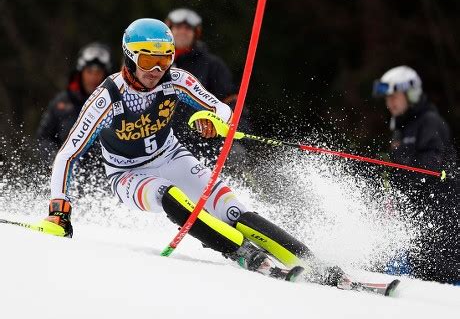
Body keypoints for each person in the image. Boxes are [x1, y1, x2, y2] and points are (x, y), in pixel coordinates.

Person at [36, 18, 347, 287]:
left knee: (232, 211)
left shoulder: (176, 79)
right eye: (147, 61)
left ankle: (314, 263)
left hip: (171, 156)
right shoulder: (108, 96)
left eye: (165, 59)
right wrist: (59, 210)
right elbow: (67, 154)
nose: (156, 70)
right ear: (129, 58)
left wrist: (212, 120)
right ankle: (242, 253)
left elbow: (222, 110)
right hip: (127, 174)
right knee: (169, 195)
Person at [373, 65, 459, 284]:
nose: (390, 102)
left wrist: (403, 170)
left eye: (394, 96)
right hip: (418, 219)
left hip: (441, 219)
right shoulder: (402, 128)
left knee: (441, 276)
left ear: (410, 94)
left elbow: (430, 166)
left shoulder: (430, 122)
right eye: (387, 98)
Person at [165, 8, 250, 165]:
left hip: (201, 145)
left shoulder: (211, 65)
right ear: (168, 30)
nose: (183, 32)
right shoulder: (153, 63)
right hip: (161, 145)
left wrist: (234, 131)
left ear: (196, 33)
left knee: (235, 155)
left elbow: (233, 101)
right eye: (177, 27)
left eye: (188, 28)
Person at [36, 42, 112, 163]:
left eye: (98, 72)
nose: (93, 77)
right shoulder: (61, 103)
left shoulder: (116, 102)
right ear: (81, 72)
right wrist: (56, 160)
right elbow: (44, 138)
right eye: (89, 71)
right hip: (68, 171)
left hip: (106, 173)